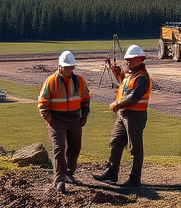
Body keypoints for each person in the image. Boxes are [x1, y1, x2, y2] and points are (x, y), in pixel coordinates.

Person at [94, 44, 152, 188]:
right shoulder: (131, 74)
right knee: (116, 142)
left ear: (139, 59)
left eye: (130, 59)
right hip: (124, 115)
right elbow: (122, 80)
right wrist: (113, 68)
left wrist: (117, 104)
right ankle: (111, 173)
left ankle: (135, 178)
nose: (127, 61)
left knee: (135, 147)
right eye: (127, 59)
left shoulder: (142, 78)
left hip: (135, 116)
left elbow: (134, 97)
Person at [37, 50, 91, 193]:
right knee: (59, 148)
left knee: (75, 149)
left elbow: (85, 98)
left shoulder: (79, 81)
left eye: (71, 68)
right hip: (57, 120)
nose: (69, 70)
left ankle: (69, 171)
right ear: (60, 66)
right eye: (66, 68)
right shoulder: (51, 81)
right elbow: (42, 103)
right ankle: (60, 179)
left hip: (75, 118)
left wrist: (84, 114)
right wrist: (49, 119)